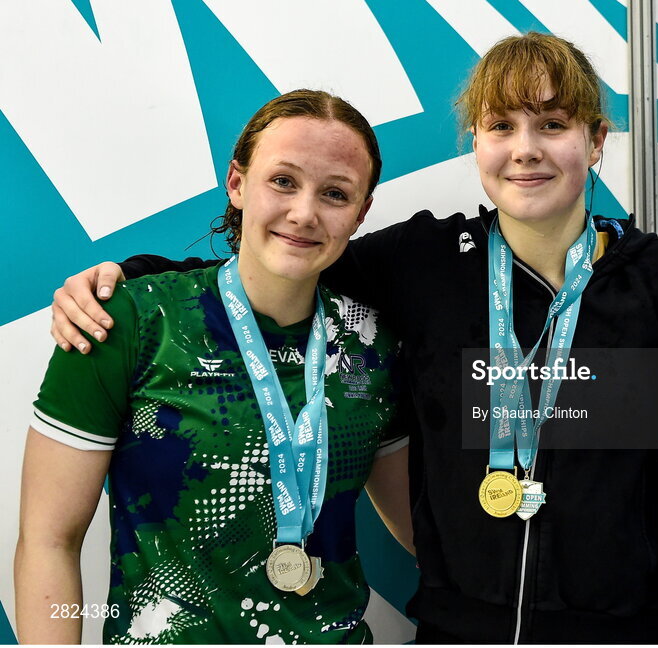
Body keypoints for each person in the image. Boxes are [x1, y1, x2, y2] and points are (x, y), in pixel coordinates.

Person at [47, 35, 658, 643]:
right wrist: (127, 278)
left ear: (595, 139)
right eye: (501, 125)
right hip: (459, 631)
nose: (526, 148)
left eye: (553, 123)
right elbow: (287, 249)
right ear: (475, 143)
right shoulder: (416, 264)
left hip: (625, 632)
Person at [16, 90, 412, 644]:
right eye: (283, 181)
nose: (304, 212)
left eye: (335, 193)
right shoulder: (129, 321)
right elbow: (48, 541)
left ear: (361, 212)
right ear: (237, 184)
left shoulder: (374, 346)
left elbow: (425, 533)